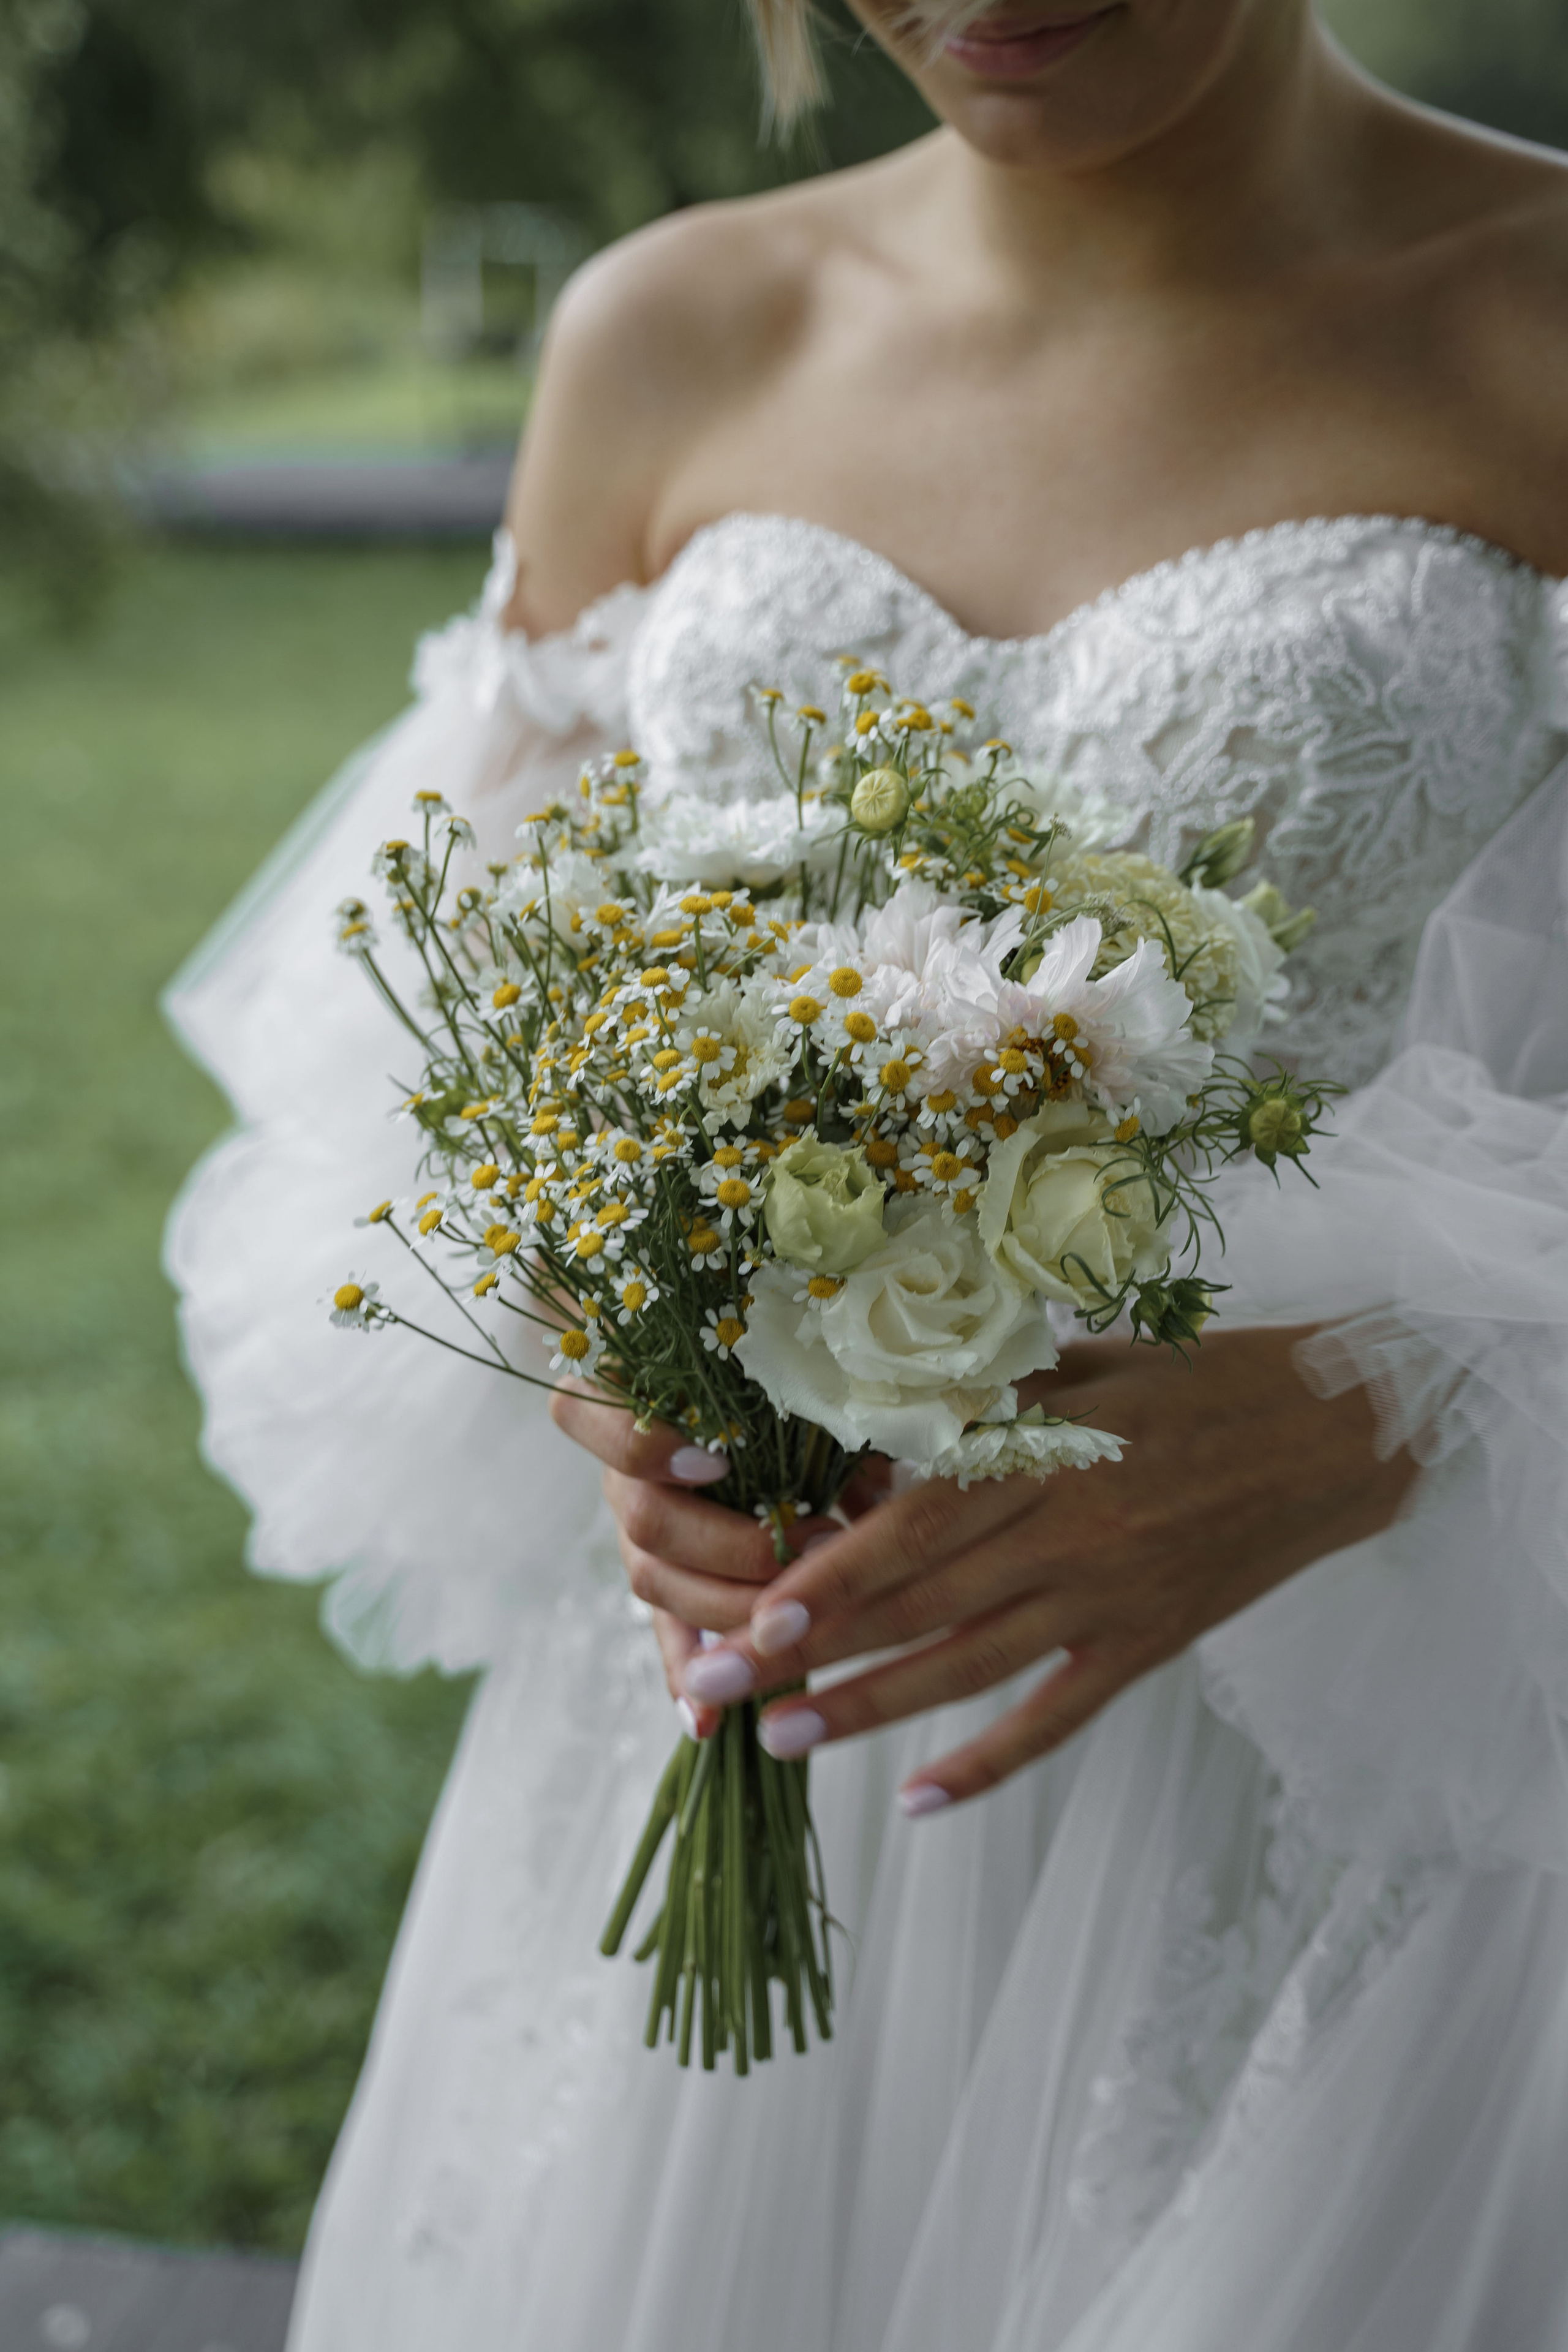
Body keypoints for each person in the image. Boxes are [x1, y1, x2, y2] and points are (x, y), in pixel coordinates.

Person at [164, 3, 1568, 2345]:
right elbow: (462, 1043)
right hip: (738, 1731)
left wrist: (1392, 1402)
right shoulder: (672, 330)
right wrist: (586, 1349)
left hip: (1325, 1761)